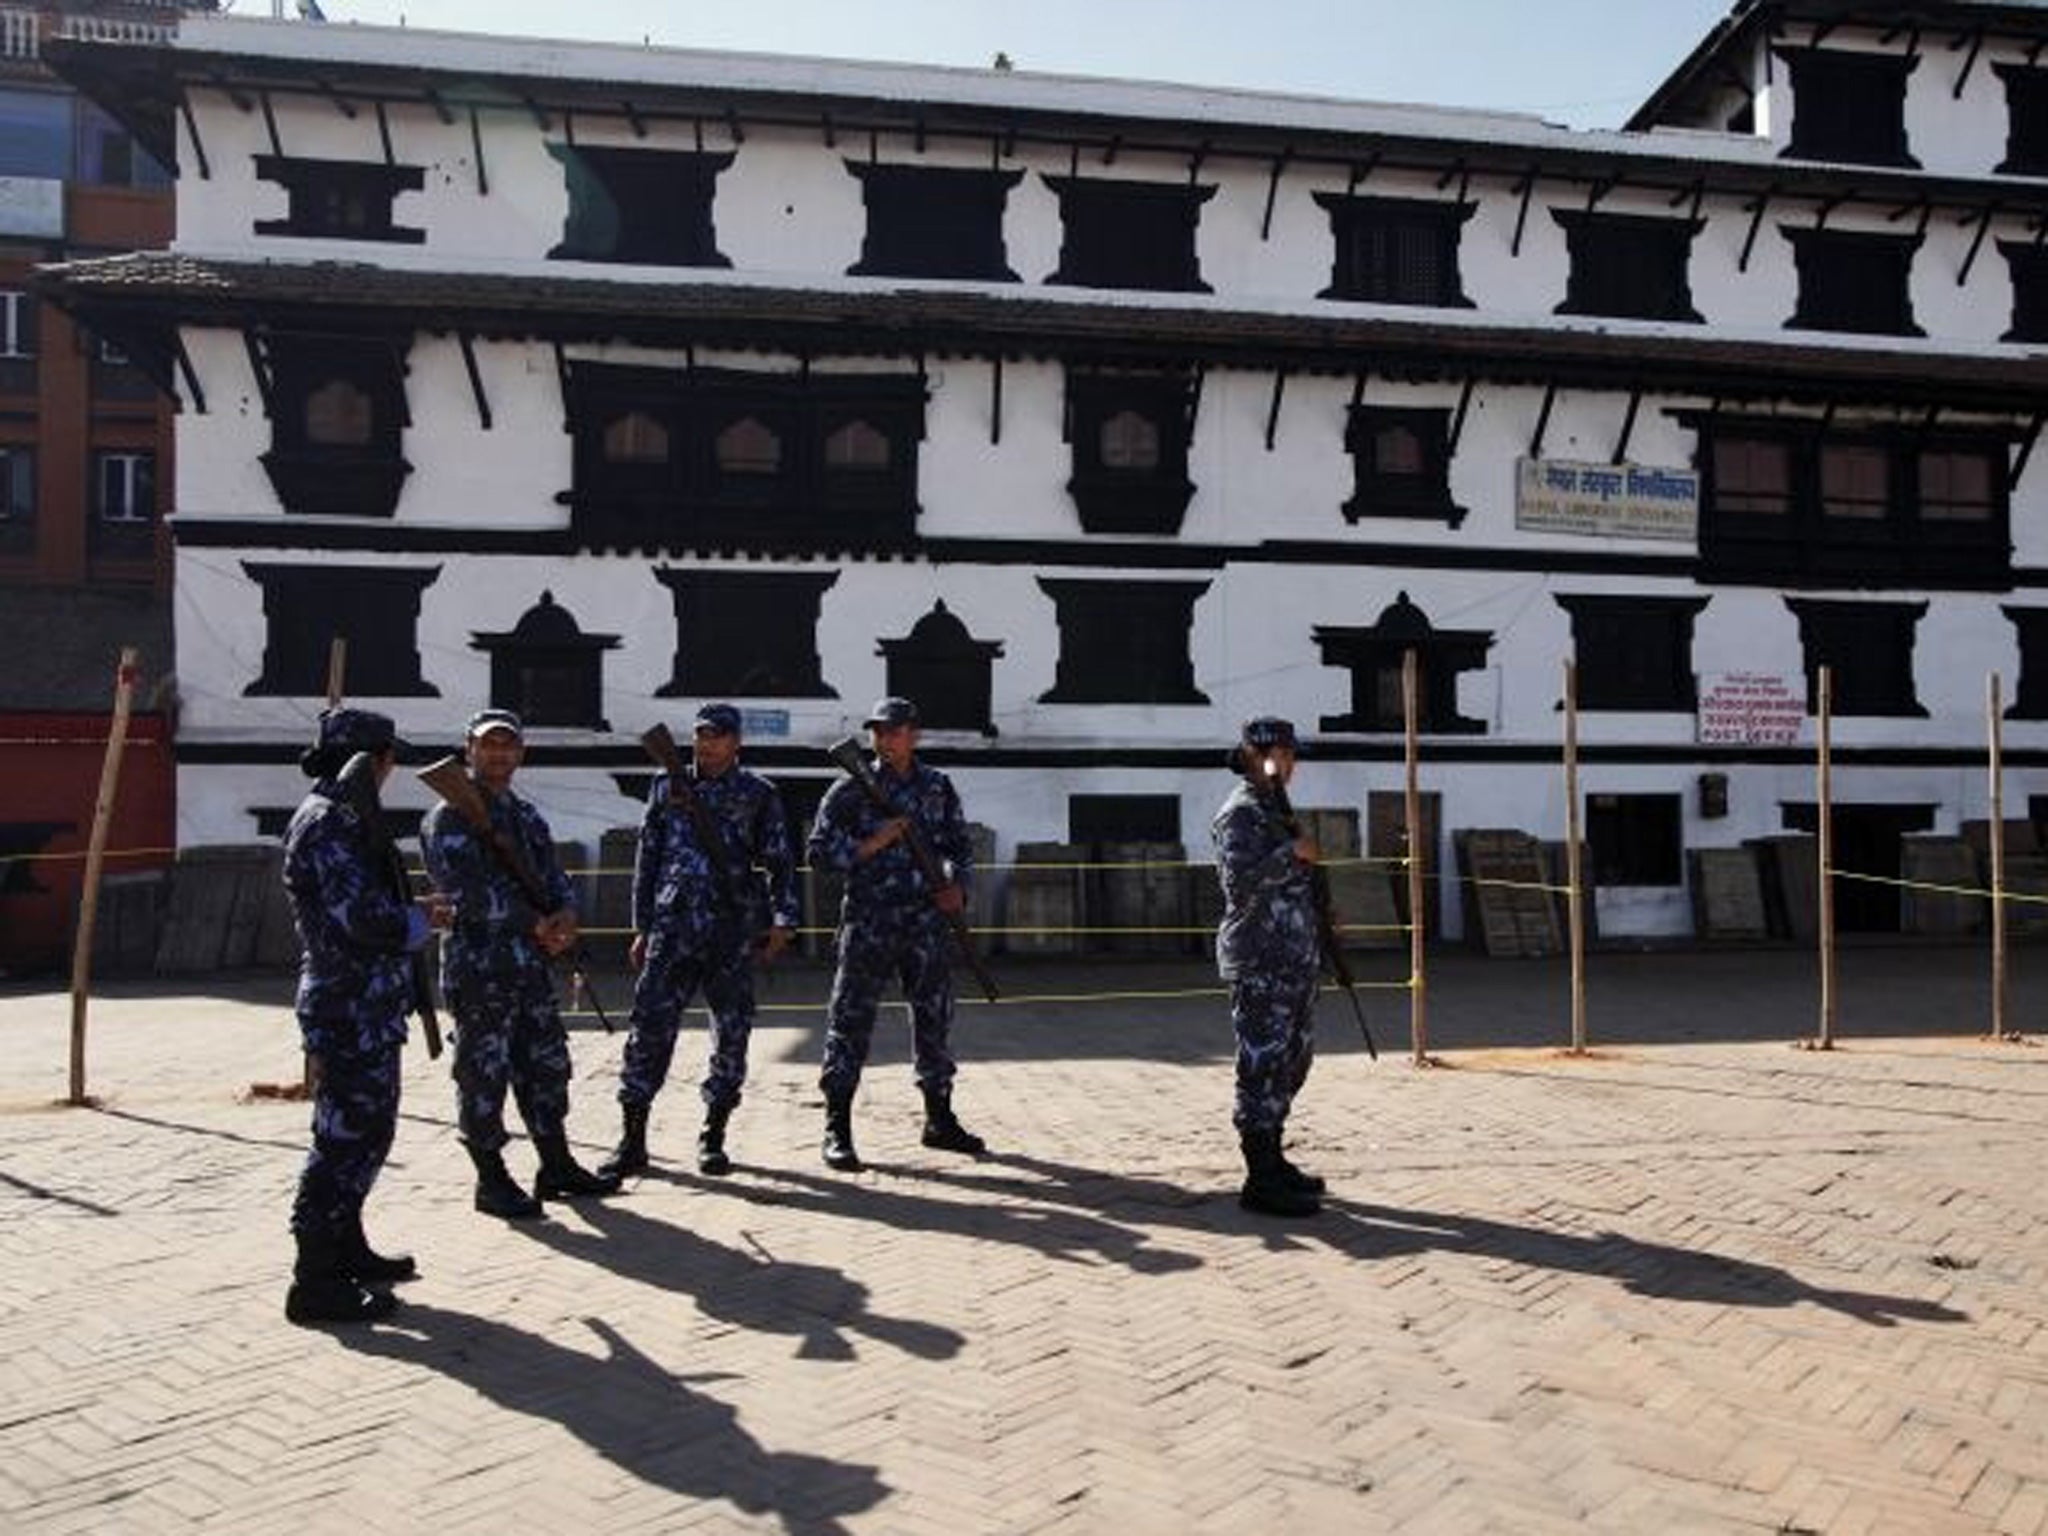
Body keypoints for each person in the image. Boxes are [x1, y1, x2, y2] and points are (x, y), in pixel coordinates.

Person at [281, 707, 447, 1325]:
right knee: (343, 1138)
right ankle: (315, 1276)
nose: (391, 769)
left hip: (368, 1004)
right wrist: (418, 921)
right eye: (388, 757)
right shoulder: (328, 824)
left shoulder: (348, 819)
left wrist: (413, 912)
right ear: (373, 759)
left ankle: (346, 1246)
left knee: (367, 1135)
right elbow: (362, 920)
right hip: (346, 1004)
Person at [420, 708, 617, 1220]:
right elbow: (464, 894)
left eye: (508, 745)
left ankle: (555, 1164)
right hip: (481, 968)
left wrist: (567, 916)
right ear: (469, 750)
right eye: (489, 745)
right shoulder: (448, 816)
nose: (499, 753)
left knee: (546, 1065)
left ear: (520, 754)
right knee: (483, 1073)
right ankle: (490, 1179)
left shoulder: (525, 816)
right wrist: (535, 922)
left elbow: (552, 876)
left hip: (530, 968)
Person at [601, 701, 798, 1180]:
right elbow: (648, 856)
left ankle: (713, 1135)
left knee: (731, 1031)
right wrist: (642, 926)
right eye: (701, 734)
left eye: (717, 736)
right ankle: (632, 1139)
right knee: (649, 1029)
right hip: (672, 929)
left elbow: (778, 858)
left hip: (730, 930)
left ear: (736, 743)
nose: (706, 744)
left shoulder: (758, 793)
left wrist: (783, 918)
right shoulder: (666, 784)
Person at [808, 696, 986, 1171]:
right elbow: (819, 853)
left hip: (925, 924)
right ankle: (837, 1127)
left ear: (914, 734)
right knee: (849, 1022)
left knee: (934, 1020)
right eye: (878, 732)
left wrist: (956, 886)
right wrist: (872, 843)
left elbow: (960, 848)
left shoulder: (937, 787)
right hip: (869, 922)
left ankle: (939, 1119)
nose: (884, 739)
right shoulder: (849, 791)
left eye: (893, 731)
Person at [1212, 716, 1324, 1218]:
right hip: (1260, 959)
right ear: (1255, 756)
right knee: (1261, 1065)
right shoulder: (1241, 813)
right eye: (1279, 754)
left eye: (1292, 754)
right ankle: (1259, 1177)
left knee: (1291, 1061)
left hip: (1293, 959)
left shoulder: (1276, 807)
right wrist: (1290, 854)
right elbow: (1239, 886)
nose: (1289, 763)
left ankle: (1274, 1158)